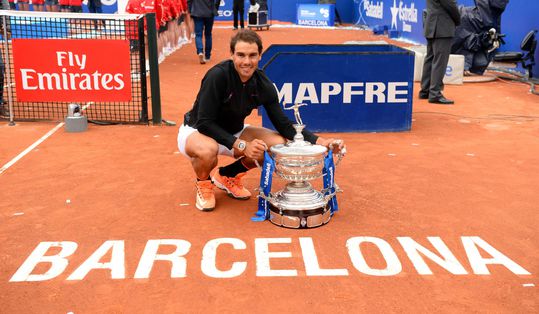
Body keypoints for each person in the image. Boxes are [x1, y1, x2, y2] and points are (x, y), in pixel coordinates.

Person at [177, 29, 346, 211]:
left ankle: (227, 175)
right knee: (208, 151)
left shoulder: (263, 84)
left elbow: (283, 124)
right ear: (232, 55)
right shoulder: (217, 76)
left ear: (259, 56)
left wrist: (322, 142)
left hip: (234, 132)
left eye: (252, 55)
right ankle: (203, 183)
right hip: (198, 132)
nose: (247, 62)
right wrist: (242, 146)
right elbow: (204, 122)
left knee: (277, 144)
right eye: (241, 55)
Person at [419, 0, 461, 105]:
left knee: (430, 58)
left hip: (431, 25)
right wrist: (458, 20)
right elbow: (451, 6)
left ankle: (426, 90)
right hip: (442, 27)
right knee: (439, 61)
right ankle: (435, 94)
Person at [187, 0, 219, 64]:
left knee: (198, 34)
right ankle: (207, 56)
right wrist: (215, 7)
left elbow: (189, 1)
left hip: (197, 12)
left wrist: (190, 10)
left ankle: (200, 51)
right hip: (209, 12)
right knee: (208, 35)